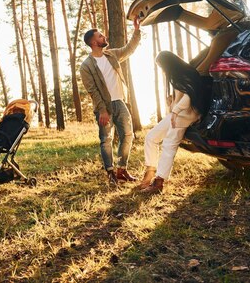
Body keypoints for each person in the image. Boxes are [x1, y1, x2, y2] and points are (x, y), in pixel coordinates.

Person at [79, 16, 142, 185]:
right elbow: (92, 90)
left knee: (128, 135)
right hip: (104, 107)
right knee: (106, 140)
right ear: (93, 42)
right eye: (100, 36)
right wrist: (102, 110)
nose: (104, 37)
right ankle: (111, 172)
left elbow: (129, 49)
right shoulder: (86, 66)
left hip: (120, 102)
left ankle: (122, 170)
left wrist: (136, 31)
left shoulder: (112, 55)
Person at [137, 51, 206, 194]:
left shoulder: (187, 74)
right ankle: (150, 170)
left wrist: (176, 110)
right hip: (176, 113)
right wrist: (172, 106)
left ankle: (159, 182)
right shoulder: (177, 75)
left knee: (169, 144)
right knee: (151, 137)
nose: (162, 70)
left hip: (186, 114)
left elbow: (189, 95)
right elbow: (179, 97)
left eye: (162, 66)